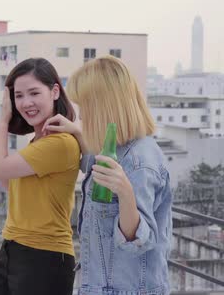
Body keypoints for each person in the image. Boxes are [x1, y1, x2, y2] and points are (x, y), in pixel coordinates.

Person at [43, 55, 172, 294]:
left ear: (104, 107)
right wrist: (76, 134)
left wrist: (125, 193)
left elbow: (138, 241)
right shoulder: (113, 148)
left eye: (85, 107)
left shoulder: (140, 162)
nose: (81, 116)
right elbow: (91, 164)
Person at [0, 58, 80, 294]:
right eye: (19, 96)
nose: (26, 103)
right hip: (13, 248)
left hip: (45, 257)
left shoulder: (60, 143)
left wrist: (3, 119)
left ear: (55, 91)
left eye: (34, 93)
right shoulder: (37, 141)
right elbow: (9, 184)